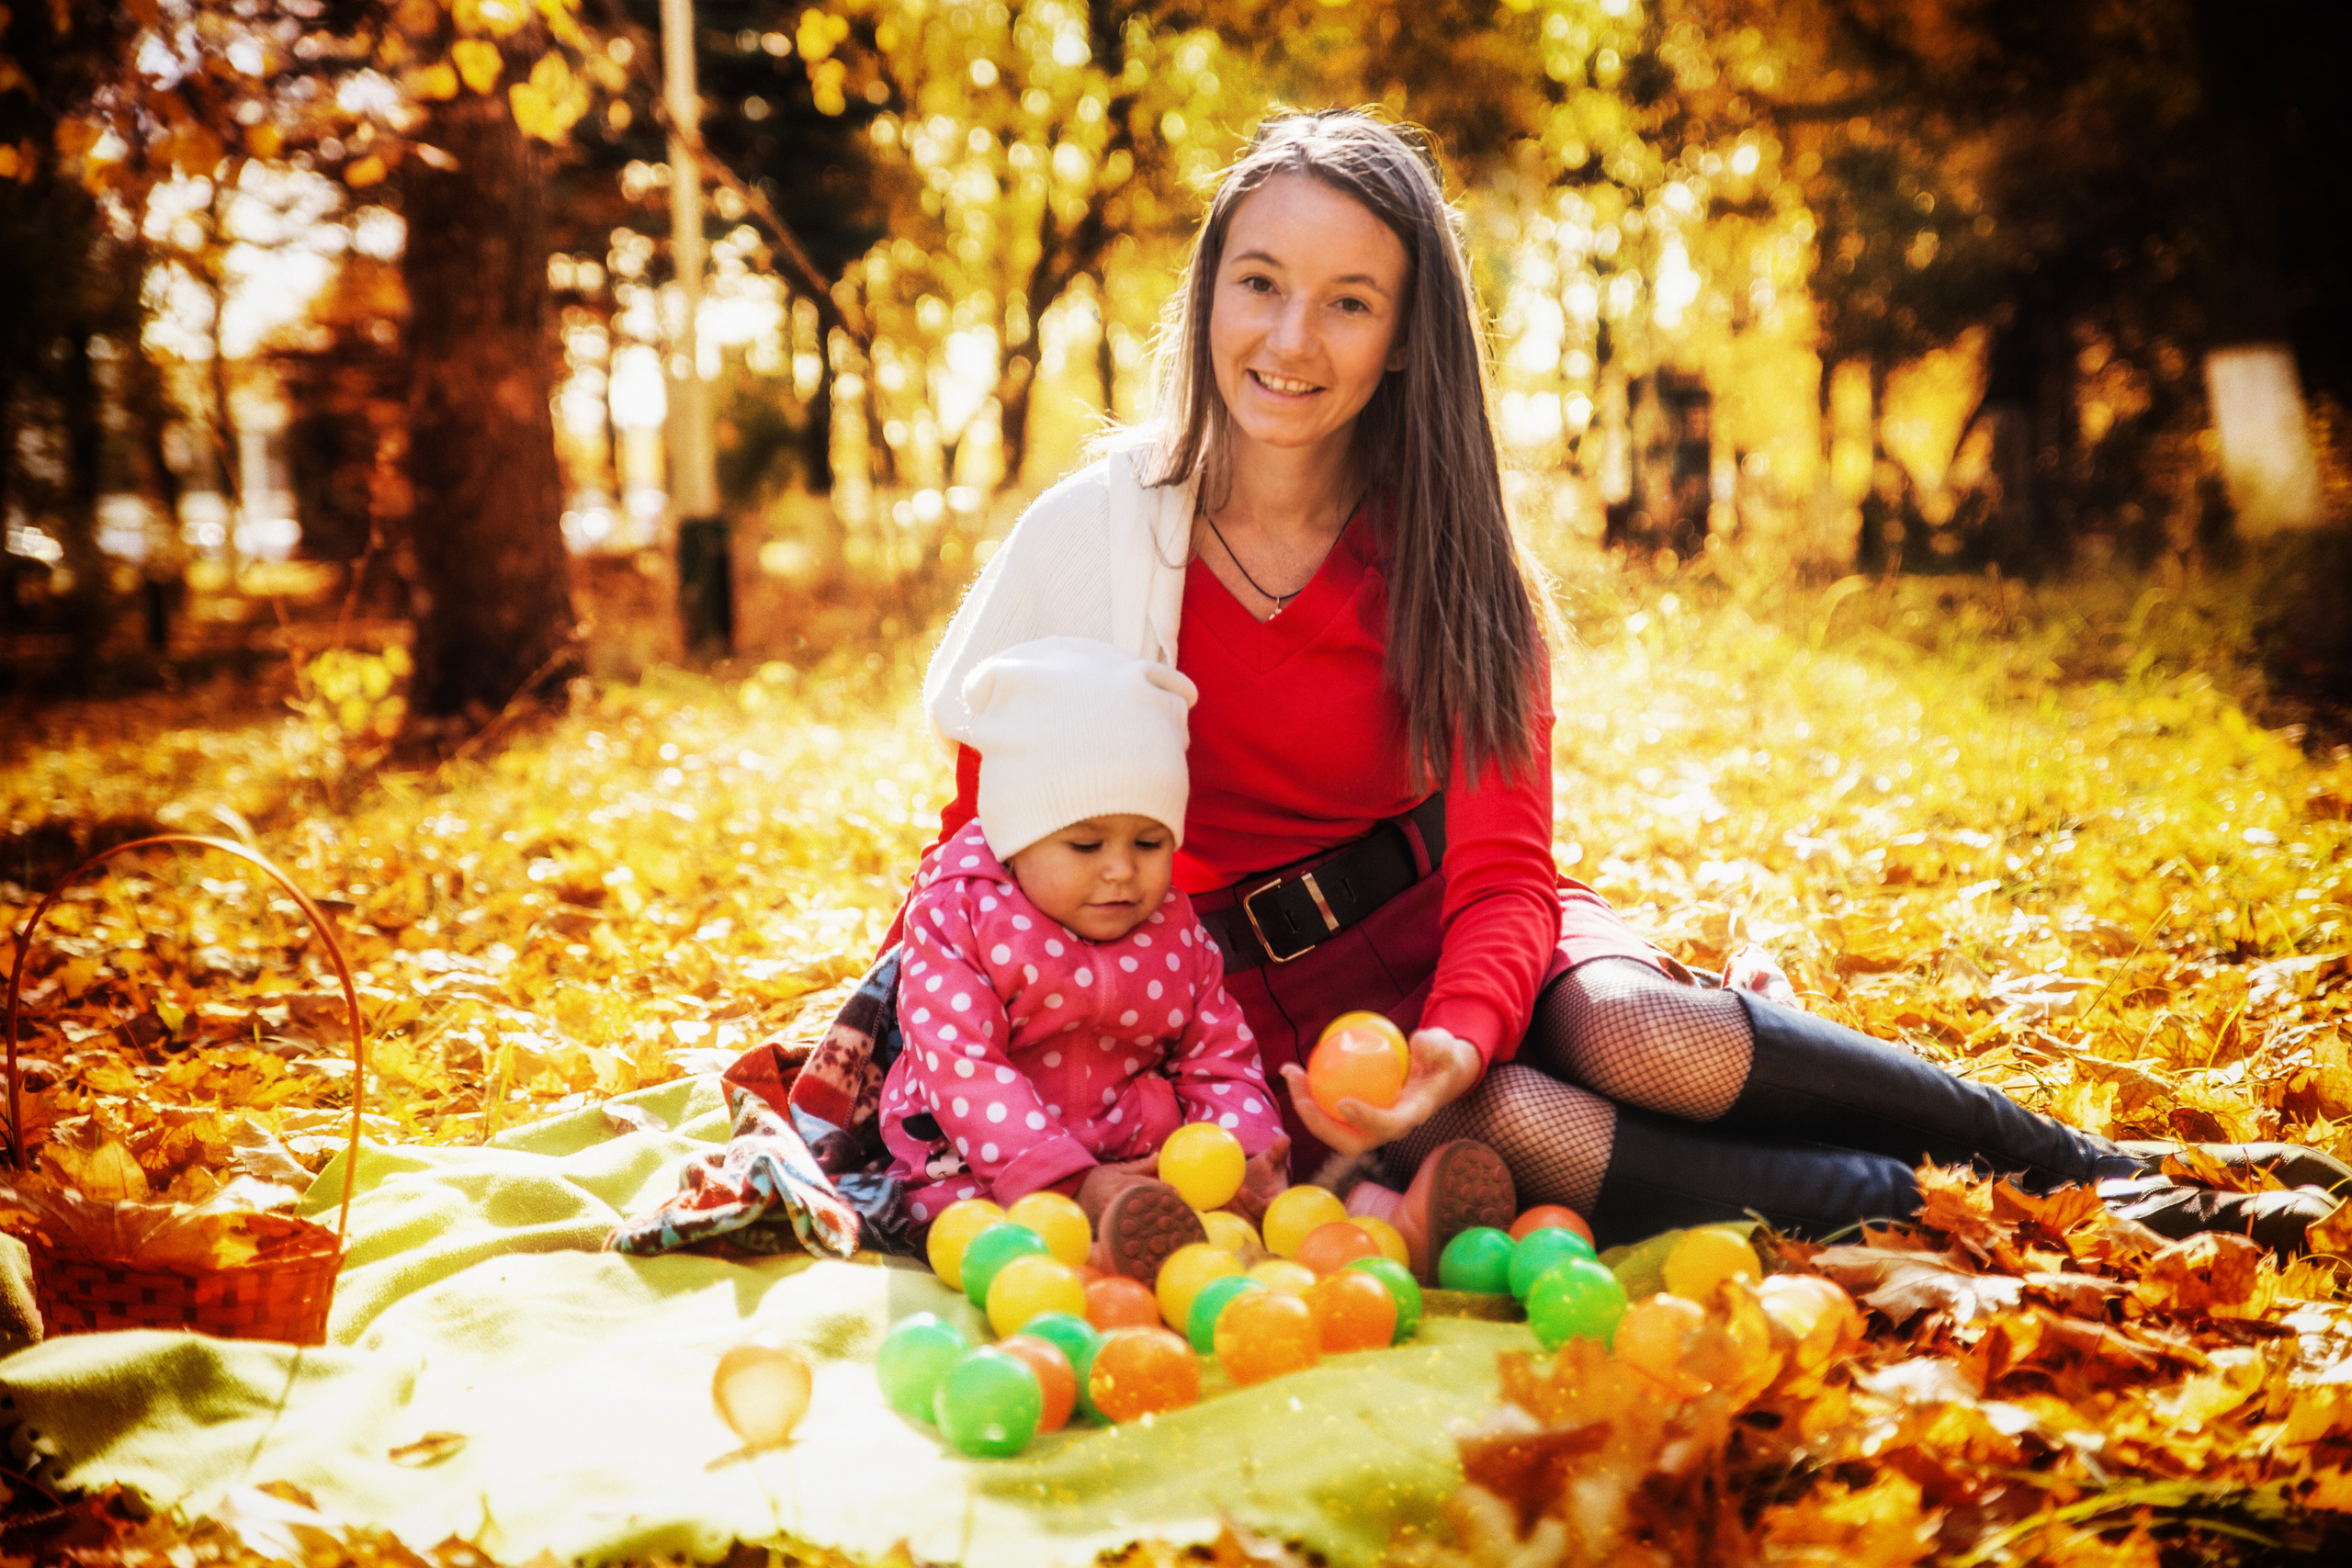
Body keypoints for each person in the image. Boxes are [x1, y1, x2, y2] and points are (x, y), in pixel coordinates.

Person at [904, 108, 2346, 1266]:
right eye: (1260, 284)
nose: (1290, 341)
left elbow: (1504, 877)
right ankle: (1937, 1208)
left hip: (1447, 928)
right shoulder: (1091, 538)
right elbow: (981, 852)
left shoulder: (1458, 563)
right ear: (1210, 288)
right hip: (1229, 1002)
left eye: (1348, 303)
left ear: (1406, 340)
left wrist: (1460, 1020)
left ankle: (2092, 1166)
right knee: (1513, 1116)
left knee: (1626, 1030)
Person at [877, 637, 1289, 1280]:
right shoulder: (961, 913)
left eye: (1150, 842)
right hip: (982, 1169)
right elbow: (961, 1065)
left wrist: (1244, 1150)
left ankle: (1390, 1225)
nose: (1121, 870)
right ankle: (1095, 1264)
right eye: (1086, 843)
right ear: (1018, 835)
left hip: (1137, 1170)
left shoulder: (1174, 931)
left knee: (1240, 1237)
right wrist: (1065, 1180)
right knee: (997, 1247)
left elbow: (1220, 1058)